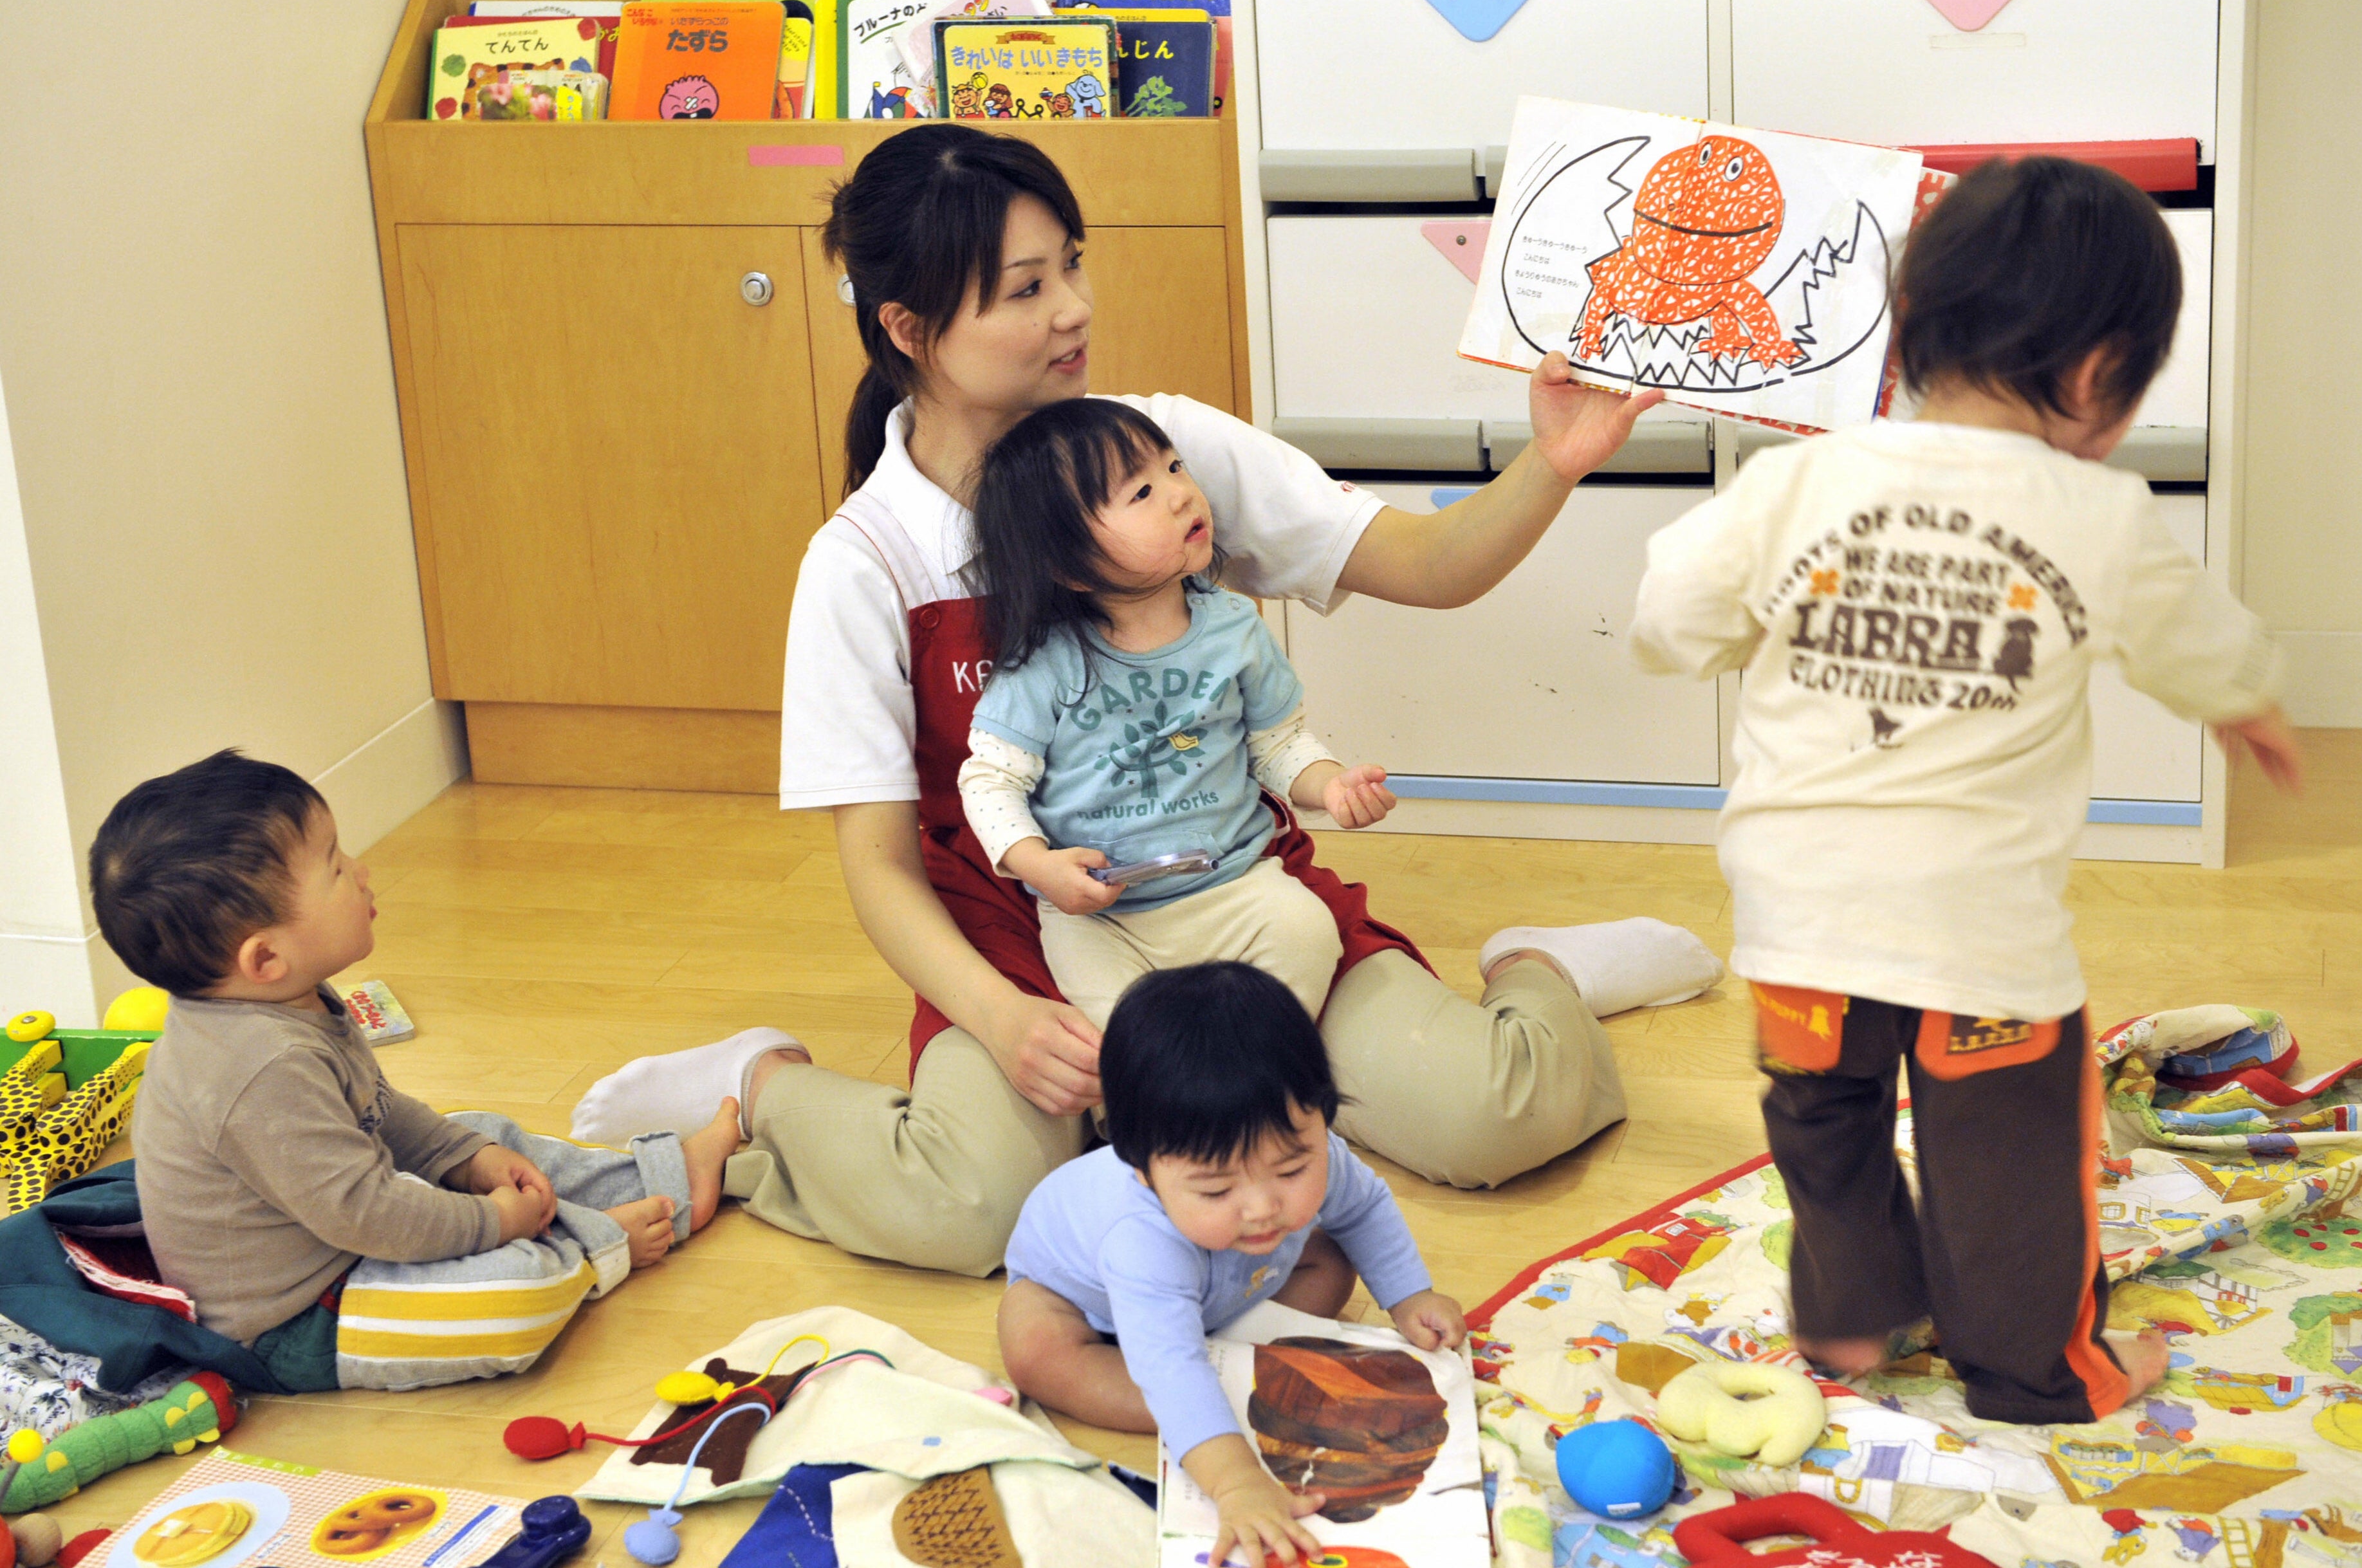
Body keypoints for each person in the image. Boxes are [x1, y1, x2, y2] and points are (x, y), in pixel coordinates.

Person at [571, 124, 1721, 1276]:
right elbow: (877, 865)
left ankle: (1543, 970)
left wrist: (1556, 462)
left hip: (1232, 906)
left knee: (1496, 1117)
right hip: (1021, 943)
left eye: (1072, 264)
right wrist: (1003, 1016)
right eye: (1026, 288)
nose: (1072, 307)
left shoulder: (1162, 451)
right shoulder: (863, 561)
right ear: (909, 331)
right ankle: (759, 1084)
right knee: (973, 1211)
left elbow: (1427, 565)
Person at [1627, 155, 2303, 1425]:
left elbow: (1669, 615)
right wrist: (2249, 703)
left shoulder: (1793, 480)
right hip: (1978, 934)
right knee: (2005, 1160)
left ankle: (1848, 1319)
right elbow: (2196, 640)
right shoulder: (2092, 512)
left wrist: (1739, 632)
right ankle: (2032, 1371)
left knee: (1821, 1124)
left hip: (1794, 915)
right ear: (2099, 373)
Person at [97, 751, 740, 1394]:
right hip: (303, 1319)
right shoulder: (262, 1068)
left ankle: (667, 1179)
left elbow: (379, 1110)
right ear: (266, 957)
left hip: (348, 1231)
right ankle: (595, 1250)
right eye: (336, 868)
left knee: (477, 1132)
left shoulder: (284, 1002)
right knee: (515, 1294)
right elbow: (371, 1215)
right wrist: (496, 1222)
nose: (362, 871)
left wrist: (469, 1159)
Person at [998, 962, 1466, 1567]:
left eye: (1293, 1169)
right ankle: (1210, 1401)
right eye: (1216, 1190)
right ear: (1142, 1169)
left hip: (1230, 1287)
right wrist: (1237, 1483)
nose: (1261, 1207)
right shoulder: (1141, 1238)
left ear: (1321, 1117)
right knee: (1035, 1347)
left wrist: (1409, 1295)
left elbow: (1366, 1207)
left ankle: (1223, 1372)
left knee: (1332, 1260)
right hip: (1084, 1305)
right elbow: (1165, 1365)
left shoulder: (1315, 1154)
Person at [958, 397, 1398, 1026]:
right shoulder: (1042, 665)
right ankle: (1182, 1100)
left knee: (1306, 931)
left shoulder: (1233, 629)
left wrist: (1331, 785)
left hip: (1234, 887)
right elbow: (990, 780)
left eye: (1173, 467)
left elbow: (1275, 746)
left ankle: (1241, 1079)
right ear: (1066, 565)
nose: (1178, 494)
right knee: (1118, 1033)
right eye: (1139, 492)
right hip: (1103, 922)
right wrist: (1037, 864)